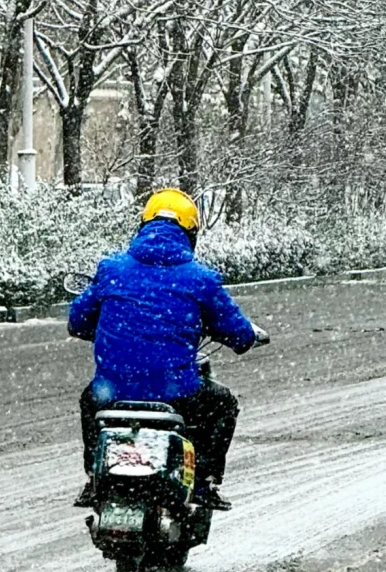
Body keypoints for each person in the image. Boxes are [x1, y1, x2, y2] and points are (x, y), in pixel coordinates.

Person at [67, 187, 268, 512]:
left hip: (112, 390)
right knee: (223, 406)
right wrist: (247, 337)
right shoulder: (200, 279)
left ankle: (95, 478)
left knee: (91, 402)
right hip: (175, 392)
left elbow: (77, 321)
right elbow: (239, 334)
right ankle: (203, 482)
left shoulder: (112, 270)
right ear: (190, 234)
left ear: (143, 226)